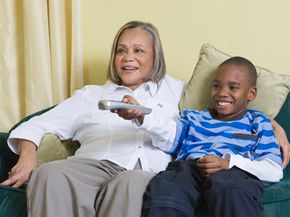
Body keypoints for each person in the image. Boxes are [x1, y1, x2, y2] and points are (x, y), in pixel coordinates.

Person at [0, 20, 289, 217]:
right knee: (49, 174)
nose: (129, 58)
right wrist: (28, 156)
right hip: (91, 165)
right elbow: (35, 125)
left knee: (130, 183)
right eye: (121, 50)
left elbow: (226, 110)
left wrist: (271, 124)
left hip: (143, 172)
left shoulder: (178, 91)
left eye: (139, 51)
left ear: (155, 57)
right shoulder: (91, 94)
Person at [141, 57, 283, 217]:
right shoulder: (195, 117)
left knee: (232, 190)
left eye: (233, 87)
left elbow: (273, 171)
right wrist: (142, 117)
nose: (222, 93)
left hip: (234, 174)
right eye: (216, 86)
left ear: (251, 93)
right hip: (190, 170)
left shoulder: (258, 122)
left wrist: (229, 163)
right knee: (166, 187)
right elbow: (169, 135)